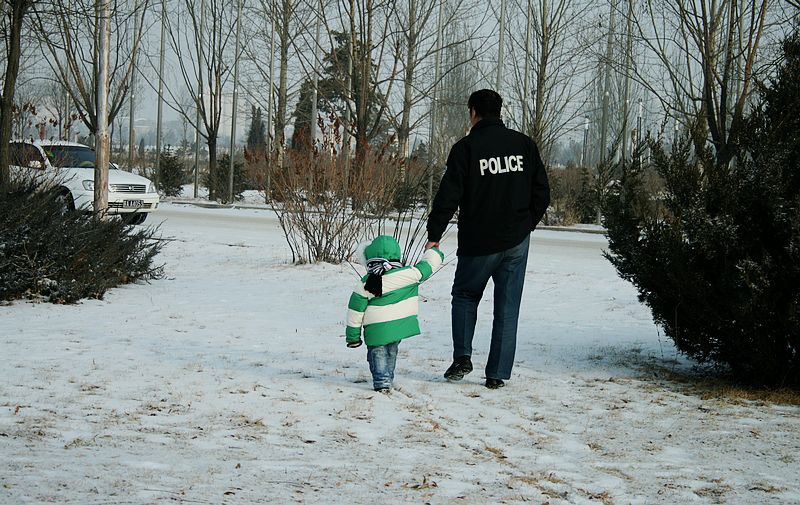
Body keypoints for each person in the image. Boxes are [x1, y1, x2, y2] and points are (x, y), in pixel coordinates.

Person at [425, 89, 550, 390]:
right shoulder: (525, 145)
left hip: (478, 241)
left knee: (466, 296)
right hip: (516, 242)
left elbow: (448, 196)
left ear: (473, 112)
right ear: (500, 111)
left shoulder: (466, 148)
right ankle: (497, 374)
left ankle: (463, 357)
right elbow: (542, 193)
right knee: (507, 308)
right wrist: (525, 225)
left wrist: (434, 235)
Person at [345, 235, 444, 393]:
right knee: (391, 351)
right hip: (398, 326)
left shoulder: (366, 283)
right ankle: (387, 378)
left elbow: (355, 311)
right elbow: (428, 265)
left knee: (377, 353)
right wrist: (432, 251)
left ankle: (382, 381)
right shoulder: (409, 274)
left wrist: (353, 337)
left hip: (376, 329)